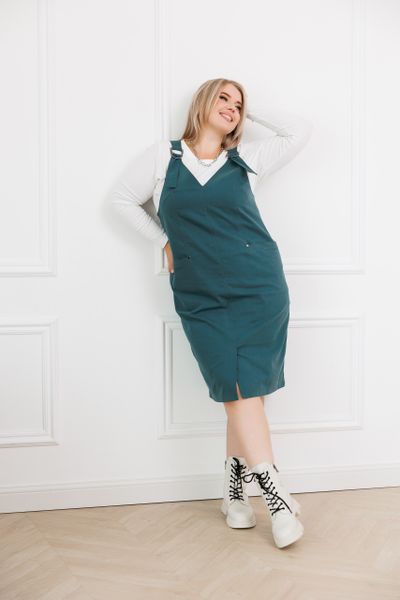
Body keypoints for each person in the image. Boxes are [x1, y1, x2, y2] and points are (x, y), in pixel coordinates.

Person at [109, 78, 312, 548]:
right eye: (223, 98)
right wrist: (163, 240)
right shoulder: (162, 158)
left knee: (246, 392)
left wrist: (251, 109)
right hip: (200, 293)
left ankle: (235, 494)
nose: (232, 108)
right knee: (234, 386)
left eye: (238, 105)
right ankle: (278, 497)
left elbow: (299, 132)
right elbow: (120, 200)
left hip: (259, 287)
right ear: (202, 101)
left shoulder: (247, 159)